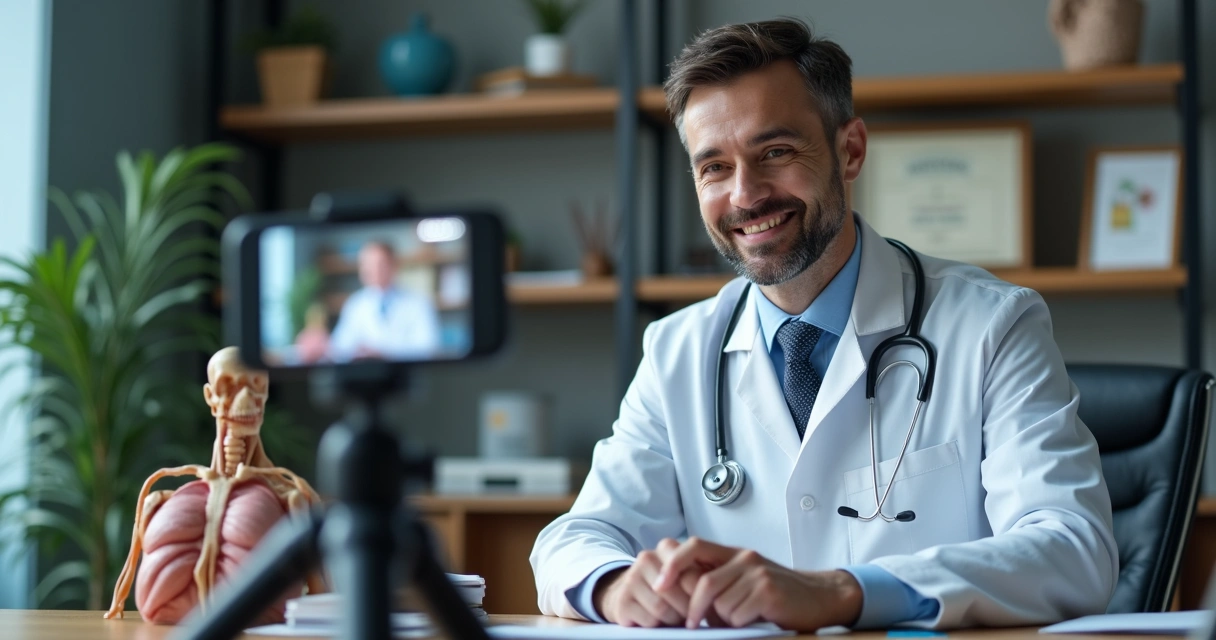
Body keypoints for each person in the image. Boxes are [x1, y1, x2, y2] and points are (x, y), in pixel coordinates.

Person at [530, 19, 1117, 632]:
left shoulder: (993, 325)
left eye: (775, 153)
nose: (745, 195)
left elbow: (1075, 550)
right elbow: (578, 537)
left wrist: (841, 593)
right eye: (714, 168)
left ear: (850, 150)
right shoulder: (678, 350)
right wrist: (617, 586)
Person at [329, 240, 442, 361]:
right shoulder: (355, 304)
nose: (374, 270)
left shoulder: (418, 303)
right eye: (367, 264)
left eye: (380, 264)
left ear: (394, 265)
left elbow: (430, 348)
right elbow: (339, 347)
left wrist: (383, 352)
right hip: (364, 375)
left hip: (407, 375)